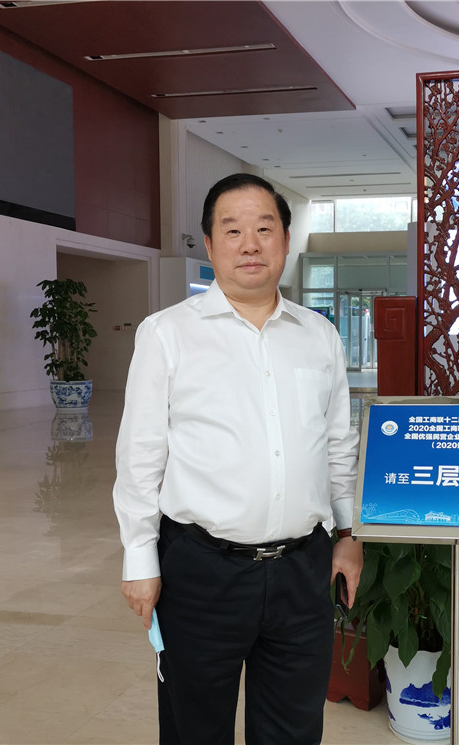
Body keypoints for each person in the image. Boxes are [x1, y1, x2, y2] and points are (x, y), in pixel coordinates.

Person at [113, 172, 363, 745]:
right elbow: (141, 454)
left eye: (264, 229)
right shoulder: (167, 334)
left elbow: (337, 443)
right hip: (201, 572)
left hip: (302, 570)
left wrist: (348, 533)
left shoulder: (319, 335)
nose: (250, 244)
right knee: (194, 729)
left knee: (294, 730)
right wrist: (138, 558)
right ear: (209, 244)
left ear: (286, 239)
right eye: (232, 230)